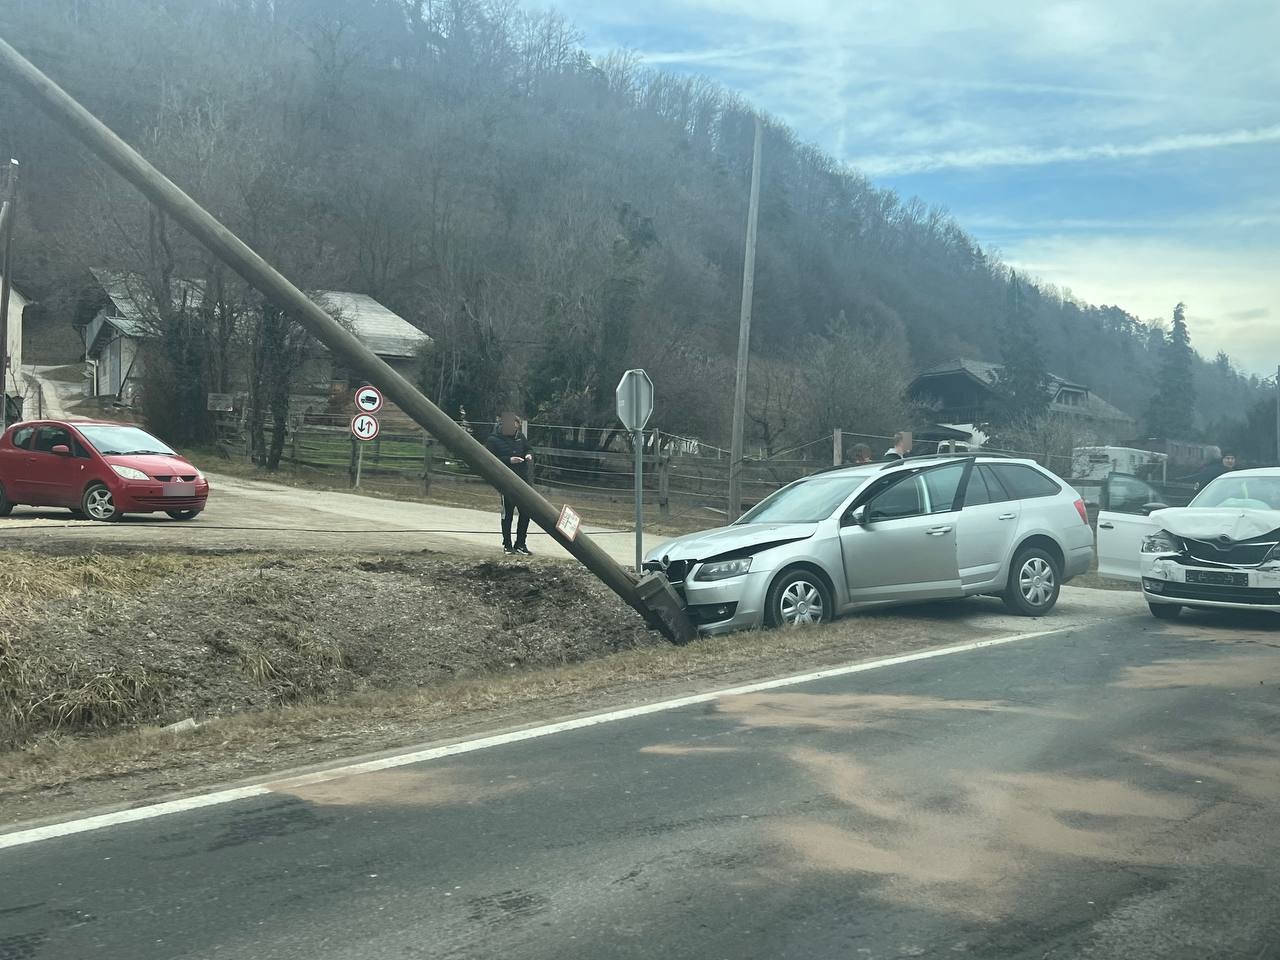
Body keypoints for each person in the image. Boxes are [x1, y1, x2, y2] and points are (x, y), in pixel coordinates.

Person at [485, 411, 534, 555]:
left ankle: (521, 544)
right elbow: (489, 460)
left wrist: (529, 454)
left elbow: (529, 448)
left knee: (526, 512)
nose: (515, 431)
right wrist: (509, 460)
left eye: (516, 428)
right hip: (505, 482)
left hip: (522, 480)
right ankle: (507, 545)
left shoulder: (520, 437)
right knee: (508, 515)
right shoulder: (493, 440)